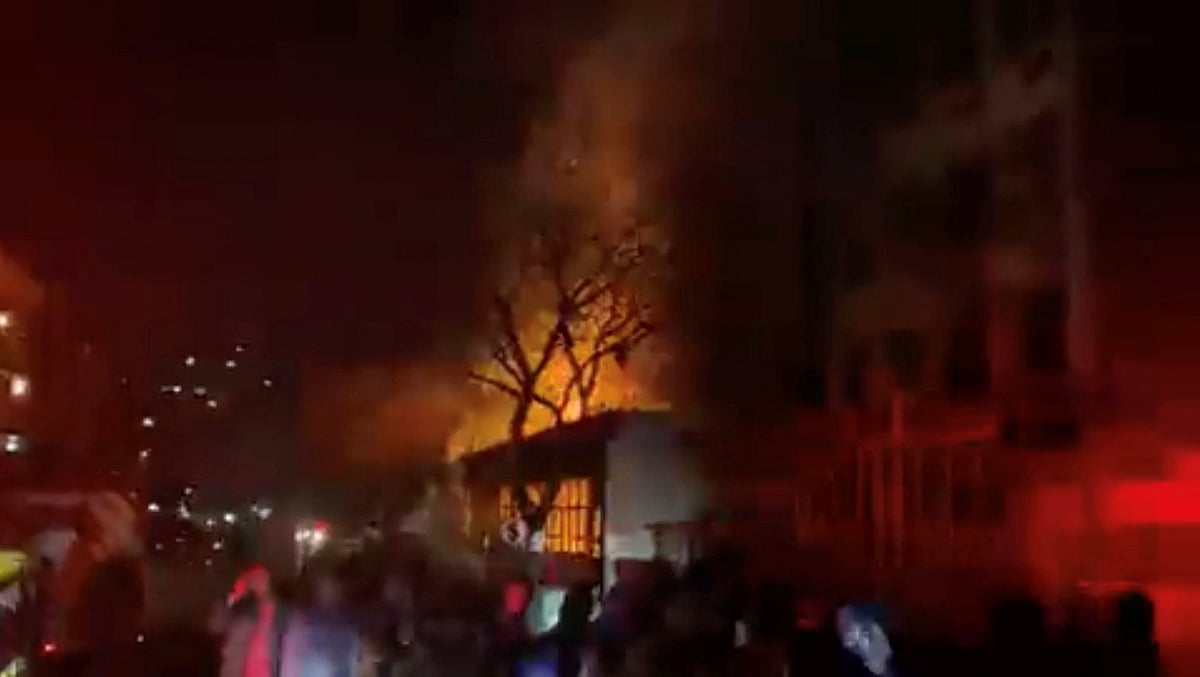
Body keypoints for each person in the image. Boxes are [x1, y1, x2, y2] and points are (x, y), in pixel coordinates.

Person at [279, 564, 361, 677]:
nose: (328, 591)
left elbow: (351, 652)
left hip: (329, 664)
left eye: (331, 587)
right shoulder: (305, 617)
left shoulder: (345, 618)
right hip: (319, 665)